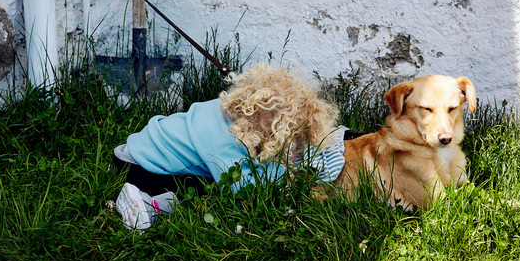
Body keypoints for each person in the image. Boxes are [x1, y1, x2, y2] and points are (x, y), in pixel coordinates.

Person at [112, 63, 347, 230]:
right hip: (140, 169)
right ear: (274, 132)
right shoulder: (226, 143)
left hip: (135, 148)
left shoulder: (227, 110)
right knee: (209, 189)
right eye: (293, 143)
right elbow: (245, 185)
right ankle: (148, 204)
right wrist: (287, 173)